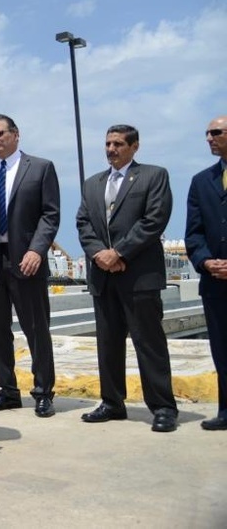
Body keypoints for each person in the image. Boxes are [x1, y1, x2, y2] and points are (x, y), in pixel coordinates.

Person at [75, 124, 178, 432]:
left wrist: (118, 253)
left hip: (138, 277)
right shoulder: (92, 184)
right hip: (103, 278)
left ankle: (162, 407)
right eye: (108, 143)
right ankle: (112, 402)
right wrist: (99, 255)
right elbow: (83, 223)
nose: (111, 149)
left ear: (134, 146)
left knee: (149, 343)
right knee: (108, 344)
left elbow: (154, 220)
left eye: (118, 143)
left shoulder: (153, 176)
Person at [0, 115, 60, 417]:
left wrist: (37, 250)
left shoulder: (41, 168)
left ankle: (43, 391)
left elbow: (50, 214)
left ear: (15, 134)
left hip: (26, 260)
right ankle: (7, 390)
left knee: (36, 329)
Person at [185, 114, 227, 431]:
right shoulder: (202, 181)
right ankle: (226, 410)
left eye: (216, 132)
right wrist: (205, 261)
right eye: (207, 133)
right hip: (214, 283)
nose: (209, 138)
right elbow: (194, 233)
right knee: (222, 349)